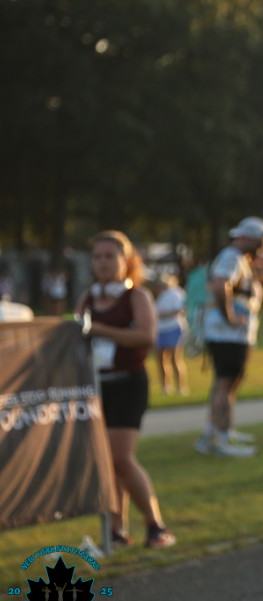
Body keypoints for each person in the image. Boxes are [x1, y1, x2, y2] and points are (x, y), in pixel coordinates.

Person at [73, 230, 175, 548]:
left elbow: (146, 336)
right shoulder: (88, 298)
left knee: (121, 457)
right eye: (97, 257)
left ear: (126, 260)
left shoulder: (137, 296)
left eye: (110, 256)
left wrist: (99, 329)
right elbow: (75, 334)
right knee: (107, 462)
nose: (103, 263)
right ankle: (117, 530)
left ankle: (156, 526)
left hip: (128, 383)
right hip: (96, 386)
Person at [194, 217, 263, 457]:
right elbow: (220, 284)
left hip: (231, 335)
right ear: (247, 238)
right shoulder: (232, 257)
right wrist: (229, 317)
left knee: (226, 384)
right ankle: (222, 438)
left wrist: (259, 252)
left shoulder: (242, 260)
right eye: (262, 240)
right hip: (227, 334)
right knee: (225, 384)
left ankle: (213, 433)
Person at [154, 274, 188, 395]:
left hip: (173, 328)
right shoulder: (158, 296)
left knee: (175, 358)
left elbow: (181, 310)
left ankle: (181, 387)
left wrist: (163, 315)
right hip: (160, 329)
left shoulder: (176, 293)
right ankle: (165, 387)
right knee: (161, 359)